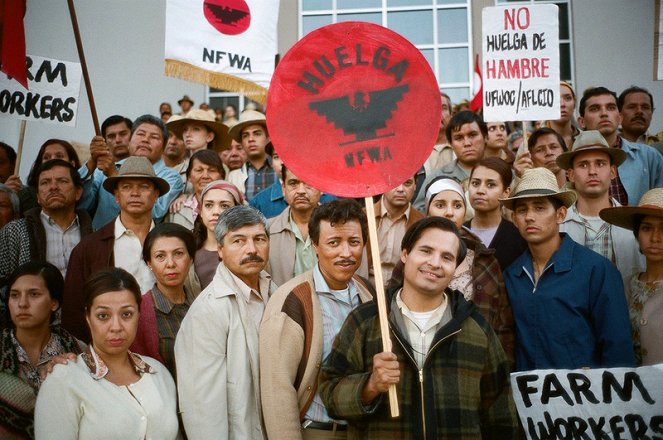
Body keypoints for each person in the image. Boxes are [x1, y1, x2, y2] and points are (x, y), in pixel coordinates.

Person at [318, 217, 519, 439]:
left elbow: (501, 418)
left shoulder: (475, 330)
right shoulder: (366, 321)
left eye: (447, 257)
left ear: (455, 268)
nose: (435, 263)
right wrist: (370, 386)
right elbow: (330, 395)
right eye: (425, 251)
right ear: (405, 254)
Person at [260, 199, 375, 440]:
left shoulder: (370, 293)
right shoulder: (292, 301)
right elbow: (277, 390)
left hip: (365, 429)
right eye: (334, 243)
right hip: (319, 431)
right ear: (315, 245)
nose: (346, 253)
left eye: (354, 242)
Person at [501, 167, 635, 370]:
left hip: (585, 395)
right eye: (522, 210)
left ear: (560, 214)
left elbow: (617, 348)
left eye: (539, 208)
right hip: (529, 395)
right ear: (514, 219)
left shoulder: (596, 270)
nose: (529, 217)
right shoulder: (512, 274)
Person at [34, 268, 180, 440]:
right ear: (88, 317)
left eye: (126, 314)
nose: (116, 326)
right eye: (103, 316)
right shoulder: (64, 379)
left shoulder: (158, 372)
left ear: (139, 315)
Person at [175, 205, 276, 439]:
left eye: (259, 239)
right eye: (238, 241)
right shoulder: (208, 310)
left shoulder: (276, 292)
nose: (252, 249)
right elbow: (202, 408)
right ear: (220, 249)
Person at [392, 176, 515, 365]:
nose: (449, 212)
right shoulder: (413, 258)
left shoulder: (485, 261)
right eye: (440, 205)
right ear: (427, 209)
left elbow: (503, 324)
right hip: (417, 355)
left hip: (473, 359)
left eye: (457, 205)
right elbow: (390, 305)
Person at [63, 157, 169, 341]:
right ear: (116, 196)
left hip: (162, 344)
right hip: (108, 346)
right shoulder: (90, 248)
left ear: (156, 195)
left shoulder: (170, 243)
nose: (135, 193)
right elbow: (73, 313)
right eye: (127, 187)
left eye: (144, 187)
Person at [0, 261, 84, 440]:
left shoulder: (77, 352)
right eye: (14, 295)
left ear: (54, 303)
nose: (22, 304)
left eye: (34, 294)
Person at [557, 130, 644, 285]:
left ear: (612, 171)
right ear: (570, 174)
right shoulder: (557, 226)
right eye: (583, 165)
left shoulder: (633, 226)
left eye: (600, 163)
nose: (592, 171)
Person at [77, 114, 185, 230]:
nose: (145, 140)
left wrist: (114, 176)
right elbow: (82, 205)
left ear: (163, 147)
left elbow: (156, 213)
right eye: (140, 134)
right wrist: (90, 165)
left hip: (142, 245)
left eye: (154, 137)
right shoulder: (103, 169)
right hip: (102, 242)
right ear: (129, 141)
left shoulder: (171, 177)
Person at [0, 161, 92, 293]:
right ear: (38, 196)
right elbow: (2, 283)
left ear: (78, 192)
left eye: (62, 181)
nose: (53, 187)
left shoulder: (95, 233)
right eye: (45, 182)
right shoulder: (14, 231)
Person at [601, 188, 663, 365]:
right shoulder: (623, 285)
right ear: (637, 235)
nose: (655, 238)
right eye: (646, 228)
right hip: (626, 387)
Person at [577, 86, 663, 206]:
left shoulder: (649, 156)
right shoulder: (572, 160)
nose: (604, 113)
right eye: (595, 109)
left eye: (611, 107)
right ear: (582, 122)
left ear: (620, 117)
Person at [130, 223, 197, 376]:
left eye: (178, 253)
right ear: (149, 263)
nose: (170, 264)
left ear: (191, 259)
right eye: (160, 256)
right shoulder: (138, 313)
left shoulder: (202, 306)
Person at [414, 111, 487, 212]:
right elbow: (418, 212)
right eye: (459, 138)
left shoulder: (501, 173)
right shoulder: (437, 177)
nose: (467, 143)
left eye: (472, 135)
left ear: (485, 137)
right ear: (451, 144)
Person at [465, 157, 527, 271]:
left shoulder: (519, 238)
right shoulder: (458, 234)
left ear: (506, 192)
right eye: (475, 183)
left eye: (490, 185)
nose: (480, 190)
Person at [265, 164, 323, 286]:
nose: (301, 191)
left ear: (321, 187)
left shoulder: (339, 227)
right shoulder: (266, 231)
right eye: (293, 183)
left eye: (308, 183)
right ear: (283, 189)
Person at [367, 175, 424, 289]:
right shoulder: (365, 217)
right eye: (393, 183)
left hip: (403, 293)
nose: (400, 189)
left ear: (415, 186)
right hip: (366, 291)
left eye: (407, 183)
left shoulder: (421, 223)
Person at [192, 180, 244, 290]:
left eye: (224, 206)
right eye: (208, 205)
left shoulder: (248, 249)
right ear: (201, 211)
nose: (216, 212)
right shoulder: (188, 249)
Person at [20, 138, 81, 214]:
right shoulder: (28, 194)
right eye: (46, 157)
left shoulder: (85, 189)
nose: (52, 160)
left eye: (59, 156)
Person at [167, 149, 224, 230]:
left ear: (221, 176)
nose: (205, 176)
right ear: (189, 177)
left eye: (212, 170)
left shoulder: (234, 205)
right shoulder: (176, 208)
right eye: (199, 170)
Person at [227, 110, 276, 201]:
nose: (251, 139)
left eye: (257, 134)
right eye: (245, 135)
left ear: (268, 137)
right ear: (241, 142)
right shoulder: (233, 177)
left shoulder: (280, 170)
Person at [422, 92, 455, 175]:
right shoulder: (416, 151)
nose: (438, 112)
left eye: (443, 108)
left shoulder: (461, 148)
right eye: (432, 108)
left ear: (451, 115)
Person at [543, 81, 580, 150]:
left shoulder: (588, 139)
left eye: (568, 98)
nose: (562, 104)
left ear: (574, 104)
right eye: (555, 99)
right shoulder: (532, 143)